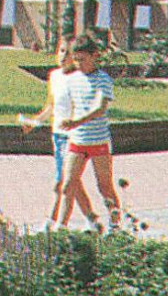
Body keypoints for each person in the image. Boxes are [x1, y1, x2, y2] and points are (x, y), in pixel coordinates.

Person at [20, 37, 96, 230]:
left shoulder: (79, 78)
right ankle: (92, 220)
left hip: (74, 137)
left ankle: (53, 223)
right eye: (61, 51)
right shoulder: (54, 76)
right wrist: (35, 122)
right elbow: (51, 106)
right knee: (72, 182)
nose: (63, 56)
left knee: (62, 182)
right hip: (57, 136)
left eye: (68, 53)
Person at [58, 35, 122, 231]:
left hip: (98, 141)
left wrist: (76, 122)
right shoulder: (72, 80)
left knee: (104, 186)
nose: (79, 64)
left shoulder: (103, 79)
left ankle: (115, 224)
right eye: (76, 59)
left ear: (95, 56)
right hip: (77, 140)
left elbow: (100, 108)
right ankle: (62, 226)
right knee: (68, 184)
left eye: (83, 60)